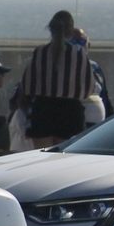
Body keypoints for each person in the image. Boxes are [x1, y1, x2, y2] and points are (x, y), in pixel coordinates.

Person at [12, 10, 92, 146]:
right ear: (71, 30)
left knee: (43, 158)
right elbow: (88, 88)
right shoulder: (79, 53)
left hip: (42, 110)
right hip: (70, 112)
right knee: (64, 160)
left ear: (50, 29)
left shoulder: (40, 52)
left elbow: (27, 85)